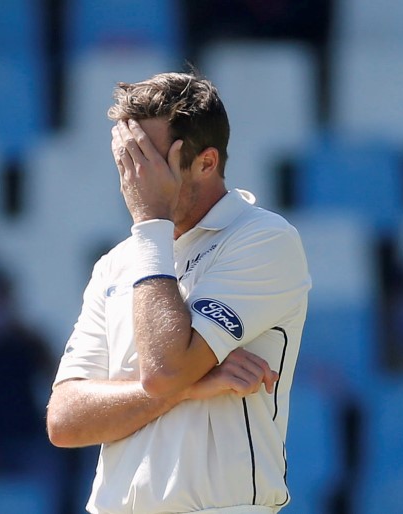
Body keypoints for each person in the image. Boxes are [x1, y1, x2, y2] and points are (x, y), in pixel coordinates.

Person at [46, 72, 311, 514]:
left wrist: (150, 222)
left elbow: (165, 370)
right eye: (129, 158)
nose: (136, 176)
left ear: (206, 162)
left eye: (150, 158)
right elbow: (65, 420)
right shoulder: (116, 263)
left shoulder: (264, 239)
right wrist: (190, 387)